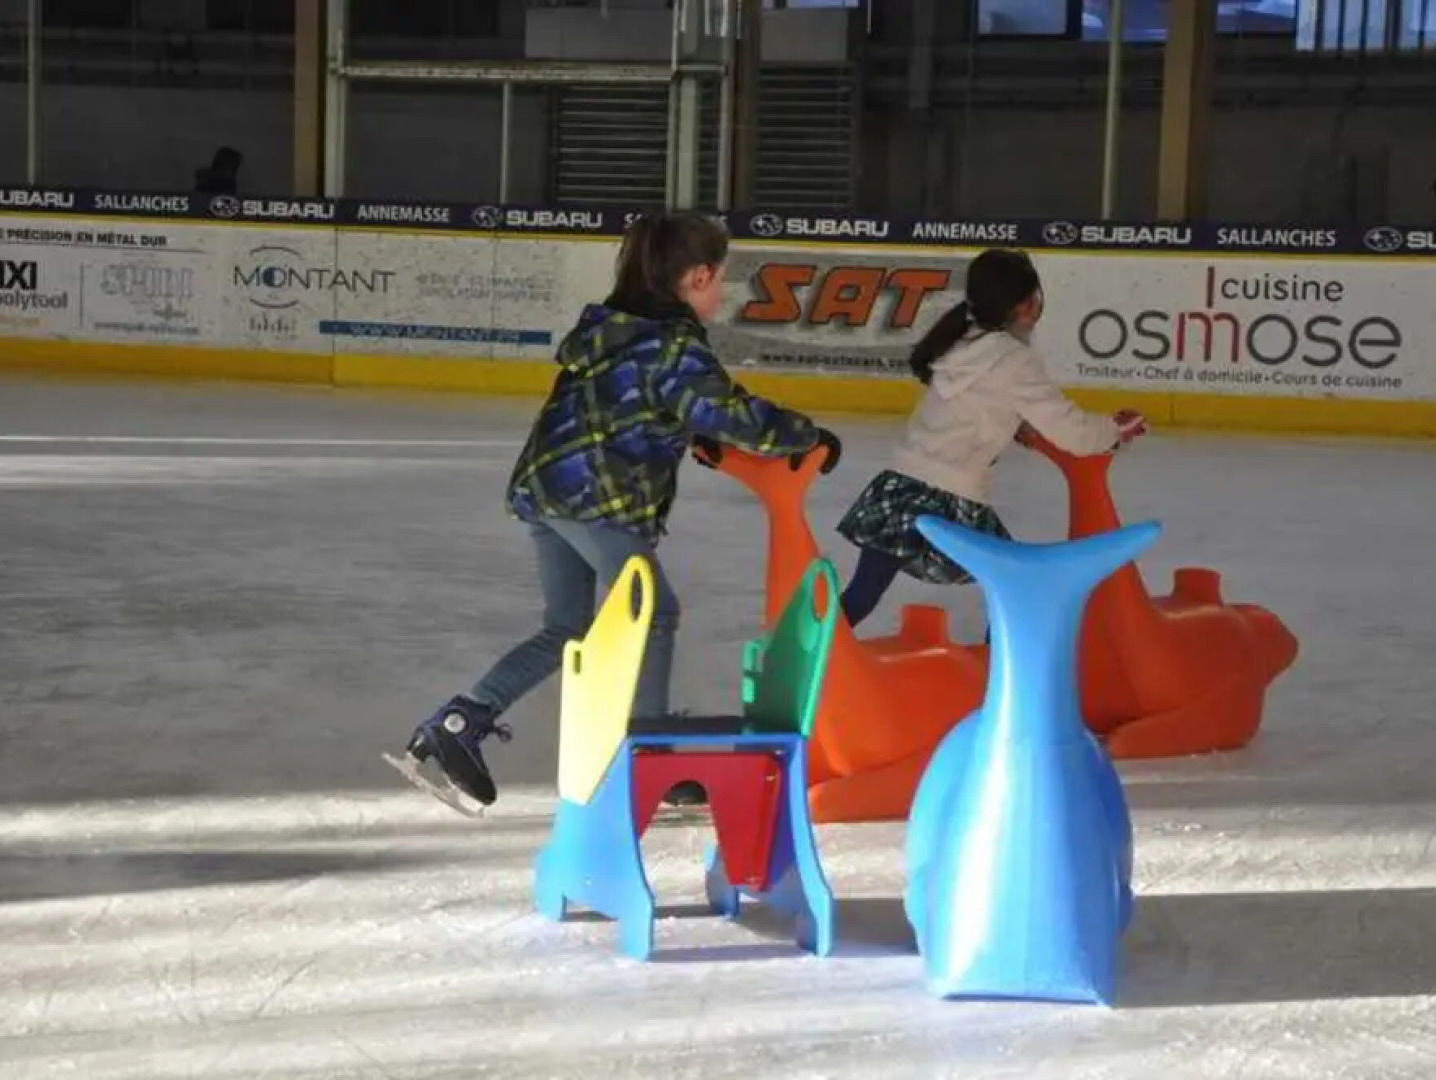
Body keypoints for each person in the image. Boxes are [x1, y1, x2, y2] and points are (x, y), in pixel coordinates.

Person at [396, 210, 839, 813]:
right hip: (595, 497)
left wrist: (685, 429)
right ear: (699, 276)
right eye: (721, 279)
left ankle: (458, 723)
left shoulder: (609, 327)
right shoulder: (674, 344)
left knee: (567, 628)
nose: (722, 291)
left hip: (547, 487)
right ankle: (647, 755)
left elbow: (637, 404)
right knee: (654, 611)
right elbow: (725, 412)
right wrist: (803, 433)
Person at [835, 248, 1146, 629]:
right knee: (1018, 589)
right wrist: (1116, 430)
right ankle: (999, 676)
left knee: (861, 595)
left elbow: (974, 404)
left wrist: (1015, 426)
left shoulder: (960, 339)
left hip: (898, 487)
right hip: (950, 497)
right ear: (1027, 305)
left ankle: (800, 656)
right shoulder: (1014, 359)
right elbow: (1075, 433)